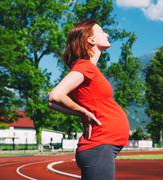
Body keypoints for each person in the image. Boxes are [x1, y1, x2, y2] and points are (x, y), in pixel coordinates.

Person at [48, 19, 130, 180]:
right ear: (90, 39)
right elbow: (55, 96)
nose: (106, 34)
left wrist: (81, 114)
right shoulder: (85, 66)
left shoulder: (87, 68)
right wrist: (82, 111)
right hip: (99, 145)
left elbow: (52, 104)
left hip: (101, 146)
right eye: (101, 31)